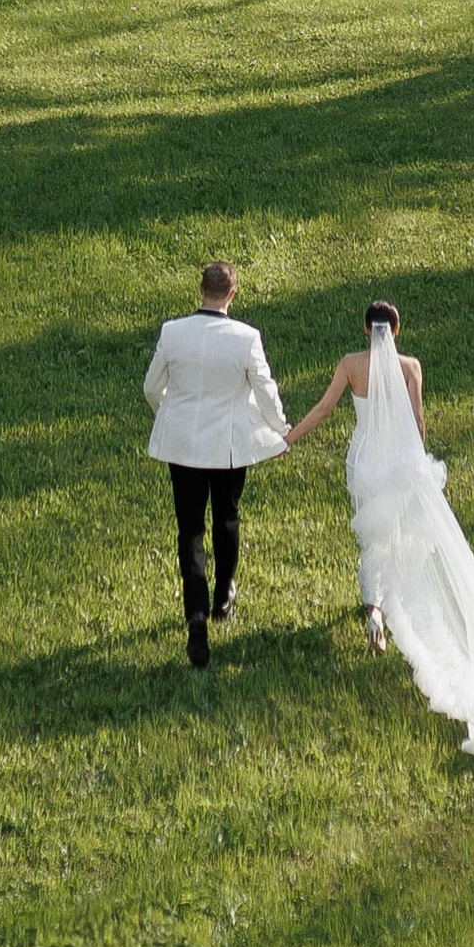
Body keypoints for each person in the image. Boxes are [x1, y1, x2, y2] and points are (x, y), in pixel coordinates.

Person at [291, 299, 474, 764]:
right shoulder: (410, 365)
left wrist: (288, 438)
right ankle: (394, 602)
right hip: (403, 465)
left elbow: (325, 408)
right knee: (408, 539)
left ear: (364, 328)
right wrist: (416, 463)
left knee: (374, 535)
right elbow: (417, 421)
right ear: (396, 329)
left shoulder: (351, 364)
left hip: (368, 463)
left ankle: (375, 607)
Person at [141, 259, 289, 668]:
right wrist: (282, 429)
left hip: (184, 446)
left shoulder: (173, 333)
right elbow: (266, 389)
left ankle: (197, 617)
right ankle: (224, 592)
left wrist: (169, 416)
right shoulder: (246, 337)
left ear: (200, 289)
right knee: (227, 517)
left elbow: (152, 387)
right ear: (233, 293)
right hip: (227, 447)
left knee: (189, 529)